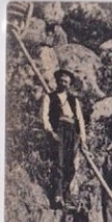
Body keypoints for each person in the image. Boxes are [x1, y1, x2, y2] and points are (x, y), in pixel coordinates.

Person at [41, 68, 87, 208]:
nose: (63, 83)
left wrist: (83, 140)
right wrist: (50, 132)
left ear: (70, 83)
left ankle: (66, 195)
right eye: (61, 80)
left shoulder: (74, 100)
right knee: (59, 163)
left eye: (66, 81)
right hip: (58, 130)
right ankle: (57, 195)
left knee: (71, 165)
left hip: (72, 132)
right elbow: (44, 117)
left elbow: (80, 120)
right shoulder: (49, 97)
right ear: (57, 81)